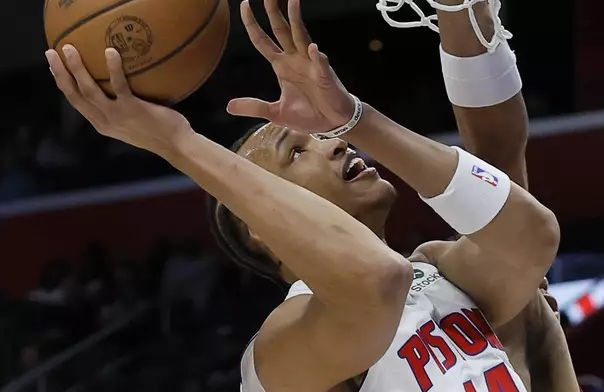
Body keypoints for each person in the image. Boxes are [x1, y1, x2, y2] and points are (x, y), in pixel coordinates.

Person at [45, 1, 573, 392]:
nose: (331, 145)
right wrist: (177, 142)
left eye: (323, 136)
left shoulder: (441, 271)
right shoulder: (278, 352)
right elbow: (374, 281)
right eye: (296, 152)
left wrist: (356, 117)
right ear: (260, 222)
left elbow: (526, 224)